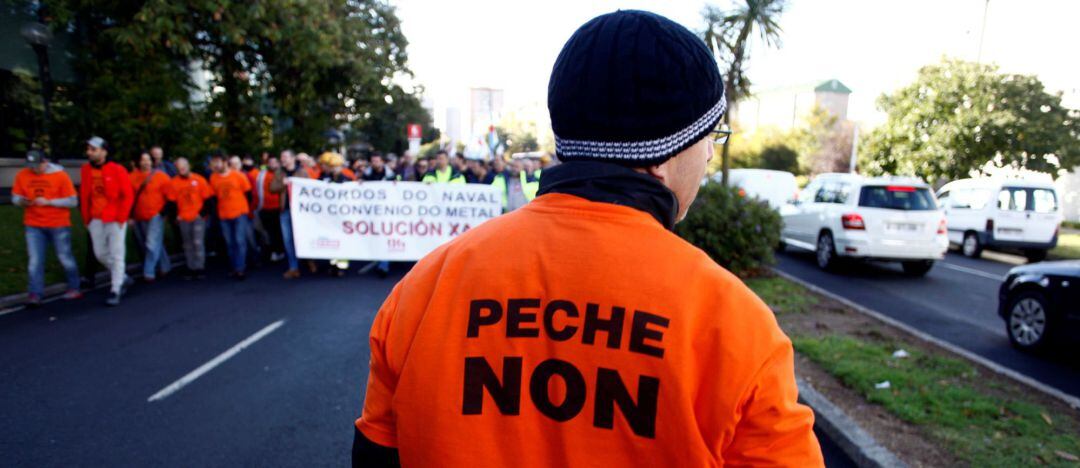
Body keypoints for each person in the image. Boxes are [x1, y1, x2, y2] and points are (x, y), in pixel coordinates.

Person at [352, 10, 822, 467]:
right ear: (663, 153)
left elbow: (376, 453)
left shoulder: (425, 288)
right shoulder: (733, 326)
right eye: (710, 139)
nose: (707, 158)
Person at [13, 150, 82, 306]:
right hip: (33, 224)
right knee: (35, 261)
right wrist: (23, 202)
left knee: (65, 257)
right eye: (31, 166)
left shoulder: (60, 175)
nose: (34, 169)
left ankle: (74, 287)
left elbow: (72, 201)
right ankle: (35, 294)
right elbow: (15, 197)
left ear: (45, 162)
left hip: (58, 224)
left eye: (37, 166)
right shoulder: (23, 175)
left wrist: (49, 202)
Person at [80, 136, 134, 306]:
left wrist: (121, 217)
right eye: (88, 149)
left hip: (114, 218)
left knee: (117, 254)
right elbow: (84, 195)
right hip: (95, 218)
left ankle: (115, 289)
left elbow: (127, 195)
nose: (89, 152)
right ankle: (123, 277)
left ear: (104, 151)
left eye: (93, 149)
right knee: (100, 253)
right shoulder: (86, 170)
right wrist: (86, 218)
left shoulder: (117, 170)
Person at [167, 157, 213, 280]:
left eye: (184, 166)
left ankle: (200, 267)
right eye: (179, 167)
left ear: (189, 166)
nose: (182, 169)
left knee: (198, 242)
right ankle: (191, 267)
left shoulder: (199, 180)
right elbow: (171, 202)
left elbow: (208, 199)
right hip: (183, 218)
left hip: (197, 216)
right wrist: (175, 216)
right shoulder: (173, 183)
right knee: (187, 244)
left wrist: (202, 214)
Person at [129, 151, 173, 282]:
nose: (146, 162)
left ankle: (148, 272)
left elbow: (170, 195)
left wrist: (164, 212)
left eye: (148, 160)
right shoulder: (131, 177)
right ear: (138, 162)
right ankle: (165, 266)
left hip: (156, 214)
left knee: (151, 243)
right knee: (153, 242)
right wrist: (130, 216)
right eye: (143, 160)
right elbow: (129, 198)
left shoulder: (161, 176)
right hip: (139, 215)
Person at [209, 153, 252, 279]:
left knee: (239, 240)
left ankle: (240, 268)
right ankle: (234, 267)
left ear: (225, 162)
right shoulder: (213, 178)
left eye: (218, 162)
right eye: (213, 163)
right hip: (224, 214)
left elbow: (248, 194)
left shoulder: (238, 175)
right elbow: (214, 197)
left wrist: (246, 210)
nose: (215, 165)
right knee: (230, 242)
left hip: (239, 213)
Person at [270, 150, 306, 279]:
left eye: (285, 157)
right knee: (288, 240)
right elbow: (272, 188)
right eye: (281, 157)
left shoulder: (302, 171)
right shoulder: (279, 172)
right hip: (285, 210)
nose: (283, 159)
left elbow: (309, 188)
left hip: (300, 212)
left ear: (292, 158)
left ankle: (308, 261)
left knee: (301, 238)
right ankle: (293, 267)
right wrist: (282, 184)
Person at [318, 152, 352, 277]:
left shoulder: (347, 179)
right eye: (332, 166)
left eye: (336, 166)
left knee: (342, 239)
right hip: (329, 216)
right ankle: (332, 265)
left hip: (342, 216)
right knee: (331, 238)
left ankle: (342, 266)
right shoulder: (324, 178)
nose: (334, 169)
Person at [254, 156, 285, 263]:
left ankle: (279, 251)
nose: (272, 164)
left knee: (278, 231)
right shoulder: (262, 174)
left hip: (278, 207)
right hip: (264, 207)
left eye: (274, 162)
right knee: (268, 232)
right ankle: (272, 251)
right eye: (270, 162)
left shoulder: (281, 174)